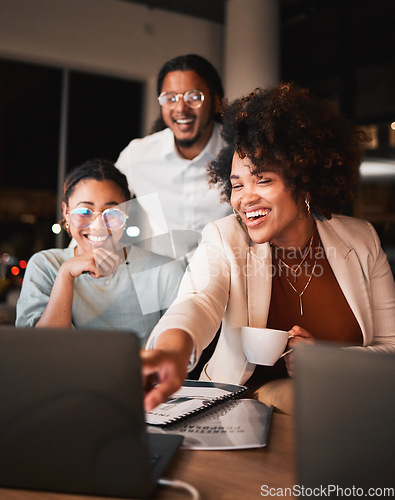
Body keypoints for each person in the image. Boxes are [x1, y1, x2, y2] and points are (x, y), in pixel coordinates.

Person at [141, 83, 395, 413]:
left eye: (263, 180)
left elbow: (391, 347)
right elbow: (198, 300)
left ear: (302, 180)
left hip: (341, 412)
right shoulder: (224, 237)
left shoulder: (361, 240)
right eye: (236, 185)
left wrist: (325, 360)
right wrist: (172, 351)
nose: (245, 198)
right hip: (238, 409)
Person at [16, 159, 184, 345]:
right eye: (84, 211)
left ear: (126, 212)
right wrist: (66, 273)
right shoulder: (45, 265)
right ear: (66, 212)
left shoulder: (163, 271)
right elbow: (38, 348)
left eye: (111, 212)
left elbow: (175, 348)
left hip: (136, 374)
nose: (98, 226)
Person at [115, 54, 232, 256]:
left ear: (215, 101)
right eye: (170, 98)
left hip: (231, 278)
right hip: (164, 281)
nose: (180, 108)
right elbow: (102, 203)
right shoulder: (137, 156)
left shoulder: (240, 153)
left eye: (194, 97)